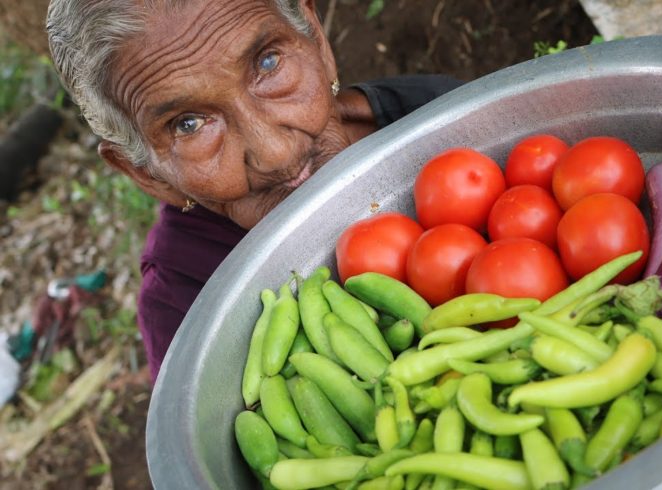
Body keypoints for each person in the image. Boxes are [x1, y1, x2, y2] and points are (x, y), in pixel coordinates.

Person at [46, 0, 463, 382]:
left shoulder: (437, 116)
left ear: (316, 40)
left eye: (268, 63)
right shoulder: (185, 304)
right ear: (146, 174)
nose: (275, 153)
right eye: (188, 124)